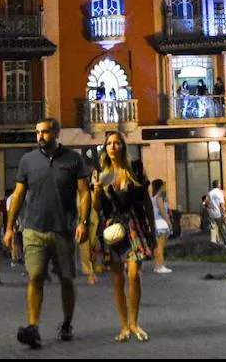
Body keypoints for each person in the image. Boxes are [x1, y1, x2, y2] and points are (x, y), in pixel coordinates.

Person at [4, 118, 91, 349]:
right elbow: (19, 194)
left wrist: (83, 222)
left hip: (63, 229)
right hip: (33, 229)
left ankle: (66, 324)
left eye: (45, 132)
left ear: (56, 133)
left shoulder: (73, 159)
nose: (40, 136)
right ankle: (33, 327)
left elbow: (84, 193)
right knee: (35, 277)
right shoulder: (27, 161)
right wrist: (10, 227)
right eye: (37, 132)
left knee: (66, 279)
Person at [90, 131, 155, 342]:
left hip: (135, 224)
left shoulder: (135, 168)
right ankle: (124, 326)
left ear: (123, 146)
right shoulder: (103, 174)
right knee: (118, 279)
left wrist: (152, 228)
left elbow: (146, 200)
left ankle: (135, 322)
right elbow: (97, 208)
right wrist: (97, 193)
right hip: (114, 228)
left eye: (117, 143)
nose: (112, 146)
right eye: (109, 143)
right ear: (105, 148)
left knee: (134, 275)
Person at [149, 179, 173, 274]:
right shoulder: (159, 197)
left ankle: (157, 265)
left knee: (157, 246)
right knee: (160, 246)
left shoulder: (153, 197)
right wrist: (168, 222)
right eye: (163, 185)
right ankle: (161, 266)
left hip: (155, 223)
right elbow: (162, 211)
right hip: (161, 223)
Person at [207, 180, 226, 245]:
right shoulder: (220, 193)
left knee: (213, 228)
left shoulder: (210, 193)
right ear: (218, 185)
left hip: (211, 213)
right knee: (222, 227)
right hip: (218, 213)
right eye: (219, 184)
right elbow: (221, 204)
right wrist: (224, 214)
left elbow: (207, 203)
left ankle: (213, 241)